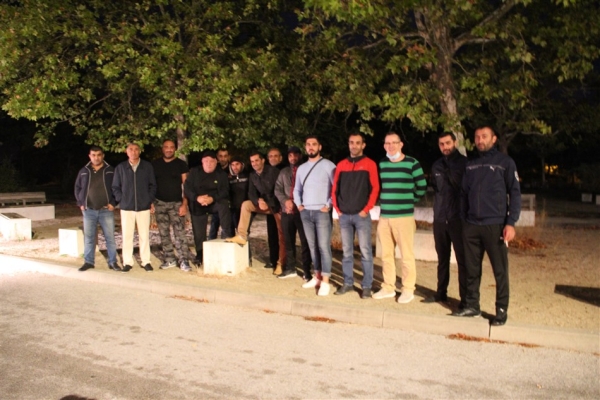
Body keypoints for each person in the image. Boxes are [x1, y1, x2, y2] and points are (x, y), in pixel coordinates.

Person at [453, 126, 521, 326]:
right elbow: (463, 194)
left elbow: (515, 194)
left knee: (500, 270)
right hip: (471, 225)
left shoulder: (505, 163)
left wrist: (511, 223)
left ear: (494, 138)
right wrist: (463, 219)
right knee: (471, 269)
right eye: (477, 137)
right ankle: (472, 306)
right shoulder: (470, 164)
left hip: (496, 225)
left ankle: (501, 310)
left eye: (484, 137)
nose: (480, 140)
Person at [374, 132, 427, 303]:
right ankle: (388, 287)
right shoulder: (382, 163)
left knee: (406, 255)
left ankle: (408, 289)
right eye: (387, 143)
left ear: (401, 144)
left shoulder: (412, 163)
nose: (390, 146)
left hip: (403, 217)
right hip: (385, 217)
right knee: (386, 255)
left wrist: (409, 200)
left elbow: (422, 187)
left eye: (394, 143)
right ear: (384, 146)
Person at [331, 133, 380, 298]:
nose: (354, 145)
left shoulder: (370, 164)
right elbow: (334, 189)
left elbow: (375, 188)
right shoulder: (341, 165)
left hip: (361, 215)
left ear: (363, 145)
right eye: (351, 142)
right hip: (344, 216)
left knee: (366, 252)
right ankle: (348, 283)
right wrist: (337, 209)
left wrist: (366, 209)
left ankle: (366, 286)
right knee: (347, 252)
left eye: (357, 143)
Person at [422, 132, 468, 306]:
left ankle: (465, 299)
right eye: (441, 144)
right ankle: (441, 292)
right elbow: (437, 189)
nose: (445, 147)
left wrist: (449, 169)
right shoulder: (436, 166)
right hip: (440, 219)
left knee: (462, 261)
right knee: (442, 259)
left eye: (448, 143)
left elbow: (462, 188)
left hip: (458, 220)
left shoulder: (464, 164)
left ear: (455, 143)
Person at [225, 152, 285, 274]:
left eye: (256, 160)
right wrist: (258, 200)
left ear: (263, 161)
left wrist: (267, 202)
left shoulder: (273, 172)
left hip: (277, 205)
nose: (254, 163)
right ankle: (241, 235)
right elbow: (251, 193)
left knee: (282, 235)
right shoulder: (252, 175)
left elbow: (279, 191)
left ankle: (281, 263)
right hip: (263, 204)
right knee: (246, 205)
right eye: (252, 161)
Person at [293, 136, 336, 296]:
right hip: (306, 212)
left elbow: (335, 187)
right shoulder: (302, 168)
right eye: (308, 145)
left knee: (324, 247)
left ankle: (326, 281)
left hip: (321, 212)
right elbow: (297, 189)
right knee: (312, 246)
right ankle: (317, 276)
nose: (311, 147)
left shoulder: (328, 165)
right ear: (305, 148)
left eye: (314, 144)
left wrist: (328, 205)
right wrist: (299, 205)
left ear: (320, 147)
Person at [74, 146, 120, 272]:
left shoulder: (110, 170)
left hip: (106, 210)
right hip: (89, 211)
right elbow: (77, 188)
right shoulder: (84, 171)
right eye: (93, 155)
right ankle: (88, 262)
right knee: (89, 238)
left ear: (103, 155)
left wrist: (113, 202)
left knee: (110, 238)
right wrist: (81, 203)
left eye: (99, 154)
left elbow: (117, 187)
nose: (96, 157)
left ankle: (113, 262)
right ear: (89, 156)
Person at [112, 143, 157, 272]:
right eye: (131, 149)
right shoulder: (121, 168)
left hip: (143, 206)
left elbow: (152, 185)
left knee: (144, 235)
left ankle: (146, 261)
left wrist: (148, 200)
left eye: (136, 149)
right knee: (127, 236)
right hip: (127, 208)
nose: (133, 152)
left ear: (140, 151)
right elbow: (115, 187)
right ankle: (128, 262)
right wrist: (122, 199)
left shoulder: (147, 166)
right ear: (127, 152)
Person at [184, 150, 233, 266]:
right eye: (206, 161)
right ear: (202, 162)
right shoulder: (195, 172)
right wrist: (197, 198)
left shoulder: (221, 174)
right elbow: (187, 188)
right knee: (199, 233)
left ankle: (226, 236)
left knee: (224, 204)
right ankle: (200, 255)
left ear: (216, 162)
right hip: (198, 203)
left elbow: (225, 191)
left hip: (214, 202)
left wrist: (212, 198)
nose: (209, 164)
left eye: (212, 161)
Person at [151, 139, 193, 272]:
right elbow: (151, 185)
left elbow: (185, 186)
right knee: (163, 233)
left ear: (175, 149)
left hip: (176, 204)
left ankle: (184, 260)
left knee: (179, 233)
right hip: (160, 203)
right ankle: (169, 259)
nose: (169, 149)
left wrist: (185, 204)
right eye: (166, 147)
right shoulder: (155, 164)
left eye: (171, 147)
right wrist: (151, 202)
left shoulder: (181, 164)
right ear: (162, 149)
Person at [274, 146, 312, 280]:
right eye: (290, 156)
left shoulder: (307, 170)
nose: (293, 158)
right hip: (287, 212)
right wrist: (286, 201)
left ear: (300, 156)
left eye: (295, 155)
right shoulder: (284, 172)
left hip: (302, 212)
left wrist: (297, 203)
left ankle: (307, 271)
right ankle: (290, 268)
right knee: (288, 241)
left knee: (305, 241)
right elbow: (277, 189)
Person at [265, 148, 284, 271]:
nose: (273, 158)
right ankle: (273, 260)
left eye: (276, 156)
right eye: (271, 156)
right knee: (272, 234)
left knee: (282, 236)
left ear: (280, 157)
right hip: (271, 206)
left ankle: (283, 262)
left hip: (281, 207)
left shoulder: (284, 170)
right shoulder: (266, 171)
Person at [208, 148, 231, 240]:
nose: (223, 158)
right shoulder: (213, 169)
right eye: (220, 156)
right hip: (217, 201)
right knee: (214, 226)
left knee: (228, 228)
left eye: (225, 156)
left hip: (229, 202)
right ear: (217, 157)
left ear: (228, 157)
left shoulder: (232, 168)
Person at [228, 157, 249, 233]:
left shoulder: (248, 176)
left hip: (245, 208)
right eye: (232, 165)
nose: (235, 167)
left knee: (244, 231)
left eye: (237, 164)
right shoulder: (229, 178)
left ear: (241, 165)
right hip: (233, 208)